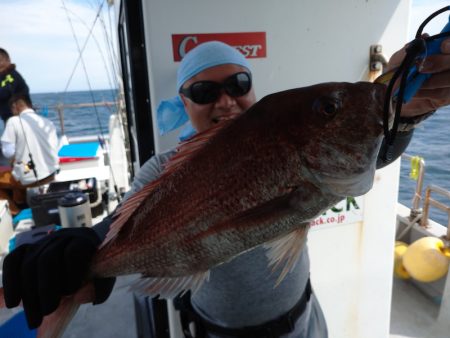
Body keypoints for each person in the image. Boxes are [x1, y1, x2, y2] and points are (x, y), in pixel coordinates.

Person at [2, 39, 450, 337]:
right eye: (203, 90)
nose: (225, 100)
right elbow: (119, 227)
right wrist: (86, 251)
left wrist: (403, 114)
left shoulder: (291, 145)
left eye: (239, 84)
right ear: (184, 101)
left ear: (252, 88)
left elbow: (373, 154)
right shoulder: (161, 170)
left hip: (307, 324)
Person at [0, 93, 59, 215]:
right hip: (50, 175)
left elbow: (7, 152)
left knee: (11, 175)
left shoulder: (13, 121)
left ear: (15, 107)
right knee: (18, 172)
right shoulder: (48, 123)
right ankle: (19, 199)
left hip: (29, 179)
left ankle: (14, 211)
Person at [0, 48, 30, 124]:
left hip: (20, 118)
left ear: (8, 60)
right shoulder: (2, 76)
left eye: (0, 61)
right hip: (9, 118)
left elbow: (6, 92)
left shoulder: (12, 74)